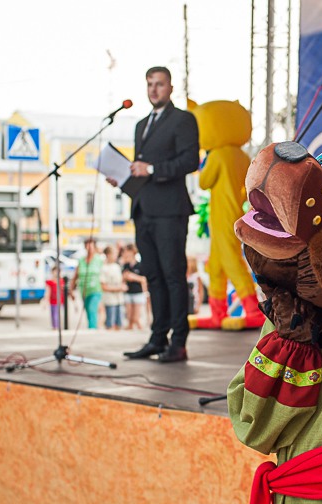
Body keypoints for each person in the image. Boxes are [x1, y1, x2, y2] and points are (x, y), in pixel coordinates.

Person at [109, 66, 199, 362]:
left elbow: (190, 160)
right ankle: (158, 338)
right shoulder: (141, 125)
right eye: (150, 84)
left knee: (173, 276)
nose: (154, 89)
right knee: (154, 277)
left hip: (170, 210)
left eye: (159, 84)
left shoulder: (183, 119)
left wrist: (151, 168)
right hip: (143, 209)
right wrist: (123, 178)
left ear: (171, 87)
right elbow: (142, 171)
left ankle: (179, 342)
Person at [71, 237, 103, 329]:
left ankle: (92, 329)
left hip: (95, 290)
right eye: (87, 245)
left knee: (92, 309)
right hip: (84, 290)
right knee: (88, 311)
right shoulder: (81, 260)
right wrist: (71, 290)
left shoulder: (99, 260)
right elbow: (75, 276)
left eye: (91, 245)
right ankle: (92, 328)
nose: (89, 247)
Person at [121, 243, 147, 330]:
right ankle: (130, 328)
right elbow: (122, 278)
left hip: (138, 292)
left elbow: (144, 279)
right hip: (128, 292)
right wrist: (125, 277)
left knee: (136, 318)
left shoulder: (140, 265)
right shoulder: (126, 265)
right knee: (129, 317)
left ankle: (140, 327)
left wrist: (133, 277)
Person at [100, 245, 126, 331]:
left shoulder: (117, 267)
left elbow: (121, 281)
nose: (115, 256)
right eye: (114, 254)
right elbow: (103, 286)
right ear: (108, 255)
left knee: (119, 323)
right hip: (110, 300)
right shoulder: (104, 268)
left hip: (119, 299)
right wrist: (118, 288)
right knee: (110, 323)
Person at [44, 265, 72, 330]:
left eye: (58, 271)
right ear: (52, 272)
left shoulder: (62, 281)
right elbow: (48, 292)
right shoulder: (50, 282)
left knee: (57, 314)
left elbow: (67, 291)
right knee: (53, 314)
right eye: (55, 271)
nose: (56, 273)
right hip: (53, 301)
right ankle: (54, 326)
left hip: (60, 301)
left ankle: (57, 326)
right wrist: (45, 300)